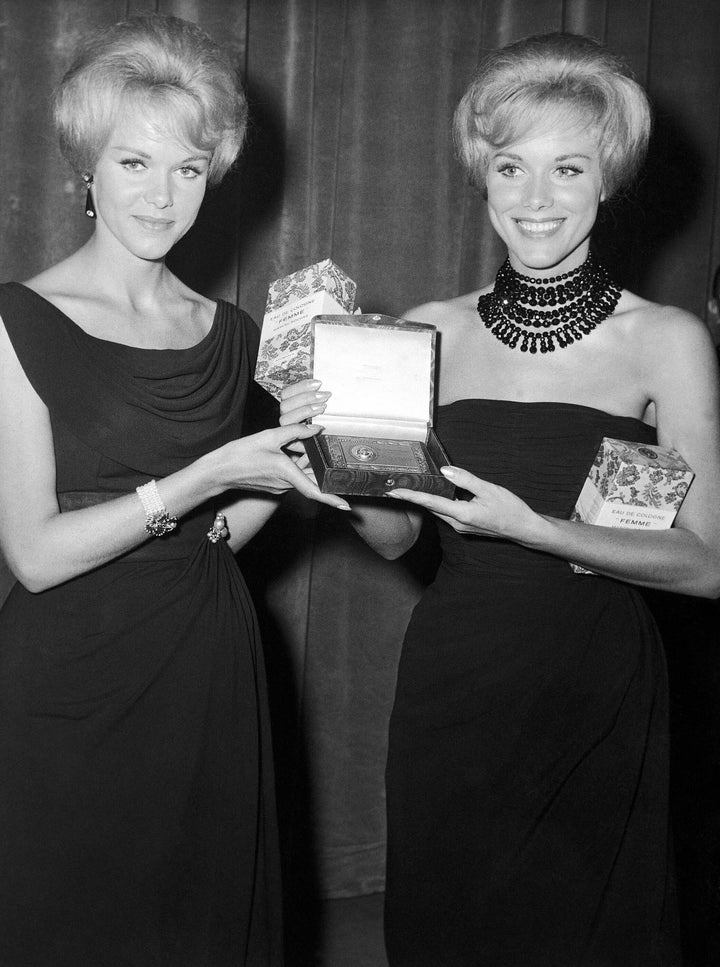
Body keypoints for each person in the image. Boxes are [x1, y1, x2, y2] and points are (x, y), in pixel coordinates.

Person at [281, 31, 720, 966]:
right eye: (511, 166)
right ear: (482, 176)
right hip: (455, 676)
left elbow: (708, 560)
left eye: (567, 169)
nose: (535, 199)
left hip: (594, 679)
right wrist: (327, 456)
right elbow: (400, 538)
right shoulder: (426, 331)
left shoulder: (666, 339)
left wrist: (536, 527)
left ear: (609, 180)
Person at [0, 13, 349, 967]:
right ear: (87, 168)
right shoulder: (18, 321)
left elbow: (221, 530)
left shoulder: (232, 330)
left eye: (188, 169)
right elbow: (33, 554)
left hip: (205, 660)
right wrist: (202, 474)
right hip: (69, 677)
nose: (162, 194)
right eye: (134, 163)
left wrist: (295, 455)